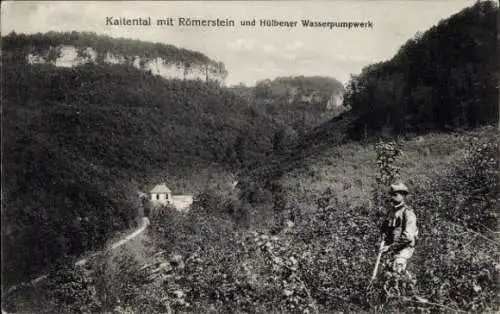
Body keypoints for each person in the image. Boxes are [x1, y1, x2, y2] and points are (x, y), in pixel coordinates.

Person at [380, 182, 418, 274]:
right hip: (393, 249)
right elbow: (386, 230)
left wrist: (390, 247)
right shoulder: (391, 213)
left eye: (395, 195)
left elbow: (408, 237)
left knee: (398, 272)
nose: (392, 197)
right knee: (384, 273)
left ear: (403, 196)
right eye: (392, 195)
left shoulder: (408, 212)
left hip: (404, 250)